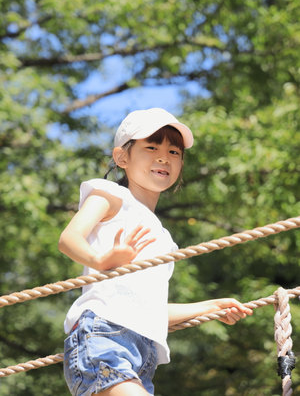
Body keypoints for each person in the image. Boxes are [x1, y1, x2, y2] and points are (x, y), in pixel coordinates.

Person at [59, 108, 252, 396]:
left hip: (143, 356)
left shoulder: (164, 240)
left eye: (174, 152)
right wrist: (101, 260)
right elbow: (69, 238)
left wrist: (212, 307)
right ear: (122, 157)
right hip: (103, 337)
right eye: (151, 147)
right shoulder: (111, 196)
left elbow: (146, 309)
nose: (164, 157)